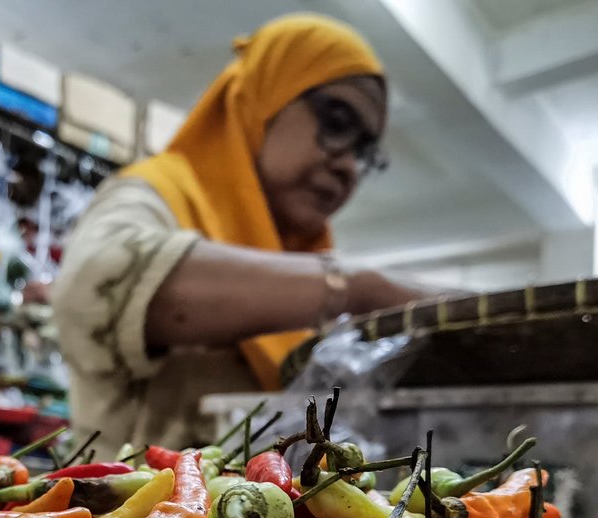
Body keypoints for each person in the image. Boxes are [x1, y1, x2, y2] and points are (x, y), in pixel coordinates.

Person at [52, 13, 428, 457]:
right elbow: (93, 284)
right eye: (337, 121)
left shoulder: (299, 252)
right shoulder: (159, 194)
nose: (348, 165)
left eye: (365, 151)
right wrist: (355, 286)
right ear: (263, 98)